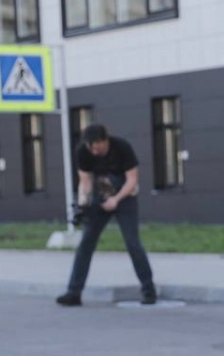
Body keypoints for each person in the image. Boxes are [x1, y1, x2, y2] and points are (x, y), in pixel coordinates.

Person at [56, 124, 157, 306]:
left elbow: (132, 180)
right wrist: (82, 205)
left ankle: (148, 289)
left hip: (125, 197)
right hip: (100, 196)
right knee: (86, 243)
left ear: (105, 140)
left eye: (98, 147)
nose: (94, 151)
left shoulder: (122, 147)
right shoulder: (83, 152)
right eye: (91, 147)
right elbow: (85, 181)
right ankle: (74, 292)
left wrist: (116, 200)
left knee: (132, 243)